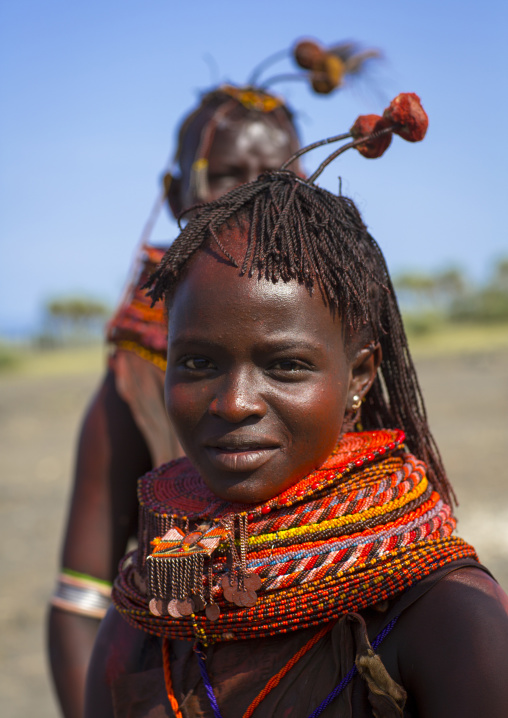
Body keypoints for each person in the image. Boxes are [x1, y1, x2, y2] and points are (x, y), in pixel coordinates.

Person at [85, 95, 508, 717]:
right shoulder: (151, 610)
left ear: (360, 375)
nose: (232, 404)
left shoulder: (446, 621)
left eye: (286, 366)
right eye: (198, 363)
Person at [47, 84, 302, 718]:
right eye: (224, 176)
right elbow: (80, 602)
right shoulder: (139, 372)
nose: (249, 200)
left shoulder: (343, 338)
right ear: (172, 195)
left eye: (273, 179)